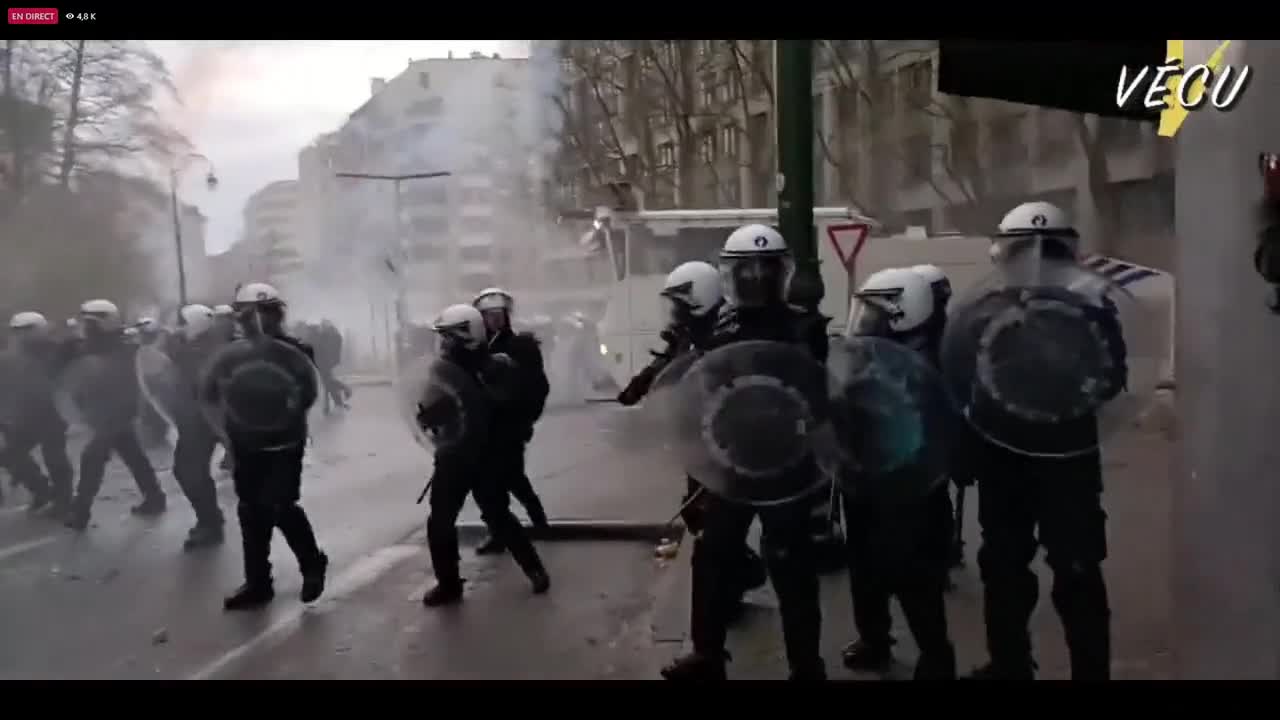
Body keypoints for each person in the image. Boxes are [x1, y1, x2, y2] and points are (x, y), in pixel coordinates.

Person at [947, 201, 1126, 680]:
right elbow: (1112, 380)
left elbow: (960, 383)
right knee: (1061, 568)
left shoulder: (984, 311)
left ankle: (1014, 666)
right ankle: (1061, 669)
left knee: (1027, 568)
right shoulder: (1090, 309)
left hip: (1025, 455)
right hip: (1050, 454)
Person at [661, 224, 829, 681]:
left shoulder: (806, 326)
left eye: (765, 268)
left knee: (792, 565)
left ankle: (806, 664)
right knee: (712, 555)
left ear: (782, 273)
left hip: (785, 464)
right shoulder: (720, 327)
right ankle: (707, 654)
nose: (755, 277)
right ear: (732, 273)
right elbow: (699, 390)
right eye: (745, 269)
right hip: (731, 462)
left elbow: (820, 395)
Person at [616, 261, 768, 619]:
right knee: (697, 511)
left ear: (698, 297)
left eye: (680, 302)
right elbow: (669, 363)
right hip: (698, 437)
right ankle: (734, 581)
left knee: (716, 521)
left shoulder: (725, 331)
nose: (675, 311)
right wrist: (638, 387)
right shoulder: (693, 331)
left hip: (728, 442)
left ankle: (733, 588)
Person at [837, 267, 957, 680]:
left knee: (912, 574)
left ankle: (936, 657)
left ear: (901, 312)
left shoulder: (924, 363)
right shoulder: (875, 354)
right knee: (865, 567)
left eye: (872, 313)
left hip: (906, 488)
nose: (864, 322)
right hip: (866, 479)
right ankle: (874, 638)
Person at [203, 282, 328, 610]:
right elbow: (211, 391)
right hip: (245, 441)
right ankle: (258, 583)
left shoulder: (294, 350)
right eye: (246, 316)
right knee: (250, 511)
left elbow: (308, 391)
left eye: (262, 314)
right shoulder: (231, 354)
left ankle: (312, 563)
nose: (254, 321)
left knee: (281, 505)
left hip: (284, 441)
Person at [417, 303, 550, 607]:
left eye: (450, 337)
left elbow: (506, 405)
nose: (445, 344)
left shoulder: (496, 367)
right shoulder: (441, 371)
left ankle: (534, 569)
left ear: (468, 334)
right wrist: (431, 416)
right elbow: (429, 405)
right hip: (452, 456)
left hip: (486, 454)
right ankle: (448, 584)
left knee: (498, 515)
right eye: (444, 338)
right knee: (440, 521)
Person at [64, 299, 167, 531]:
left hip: (116, 409)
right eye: (86, 323)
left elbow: (127, 374)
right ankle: (155, 497)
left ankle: (80, 512)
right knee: (133, 455)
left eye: (92, 323)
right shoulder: (94, 344)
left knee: (92, 458)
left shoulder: (123, 345)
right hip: (104, 410)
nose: (87, 328)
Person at [470, 288, 551, 555]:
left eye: (499, 315)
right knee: (486, 484)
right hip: (483, 426)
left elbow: (537, 386)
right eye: (489, 316)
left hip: (510, 425)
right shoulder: (475, 349)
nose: (494, 320)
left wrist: (525, 418)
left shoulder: (520, 347)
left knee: (512, 476)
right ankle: (497, 531)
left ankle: (537, 518)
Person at [160, 304, 228, 550]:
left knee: (190, 472)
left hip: (204, 421)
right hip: (193, 420)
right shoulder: (196, 347)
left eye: (183, 324)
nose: (179, 329)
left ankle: (209, 524)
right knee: (187, 471)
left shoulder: (207, 351)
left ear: (196, 323)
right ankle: (211, 517)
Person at [0, 311, 75, 516]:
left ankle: (64, 500)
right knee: (10, 455)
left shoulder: (57, 351)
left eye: (25, 330)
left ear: (38, 329)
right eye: (17, 331)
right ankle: (42, 490)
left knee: (55, 458)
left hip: (53, 414)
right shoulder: (9, 357)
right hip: (24, 417)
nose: (20, 335)